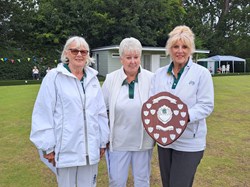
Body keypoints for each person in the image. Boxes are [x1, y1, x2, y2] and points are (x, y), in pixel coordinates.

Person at [30, 36, 110, 187]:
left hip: (90, 152)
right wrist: (47, 146)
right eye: (74, 51)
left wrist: (102, 141)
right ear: (66, 53)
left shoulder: (92, 79)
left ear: (88, 55)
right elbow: (43, 112)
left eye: (83, 51)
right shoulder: (54, 77)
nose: (79, 54)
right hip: (66, 151)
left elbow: (100, 113)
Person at [150, 25, 214, 187]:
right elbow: (152, 102)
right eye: (175, 46)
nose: (180, 51)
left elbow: (206, 105)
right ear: (169, 49)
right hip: (165, 140)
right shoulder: (159, 74)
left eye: (184, 47)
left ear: (190, 49)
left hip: (189, 141)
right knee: (168, 184)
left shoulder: (201, 73)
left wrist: (182, 117)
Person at [102, 37, 155, 187]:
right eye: (128, 57)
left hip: (143, 142)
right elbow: (101, 110)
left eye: (136, 57)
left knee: (142, 181)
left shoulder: (151, 79)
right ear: (121, 59)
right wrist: (103, 137)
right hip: (118, 142)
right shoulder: (111, 79)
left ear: (140, 57)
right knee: (117, 182)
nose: (133, 61)